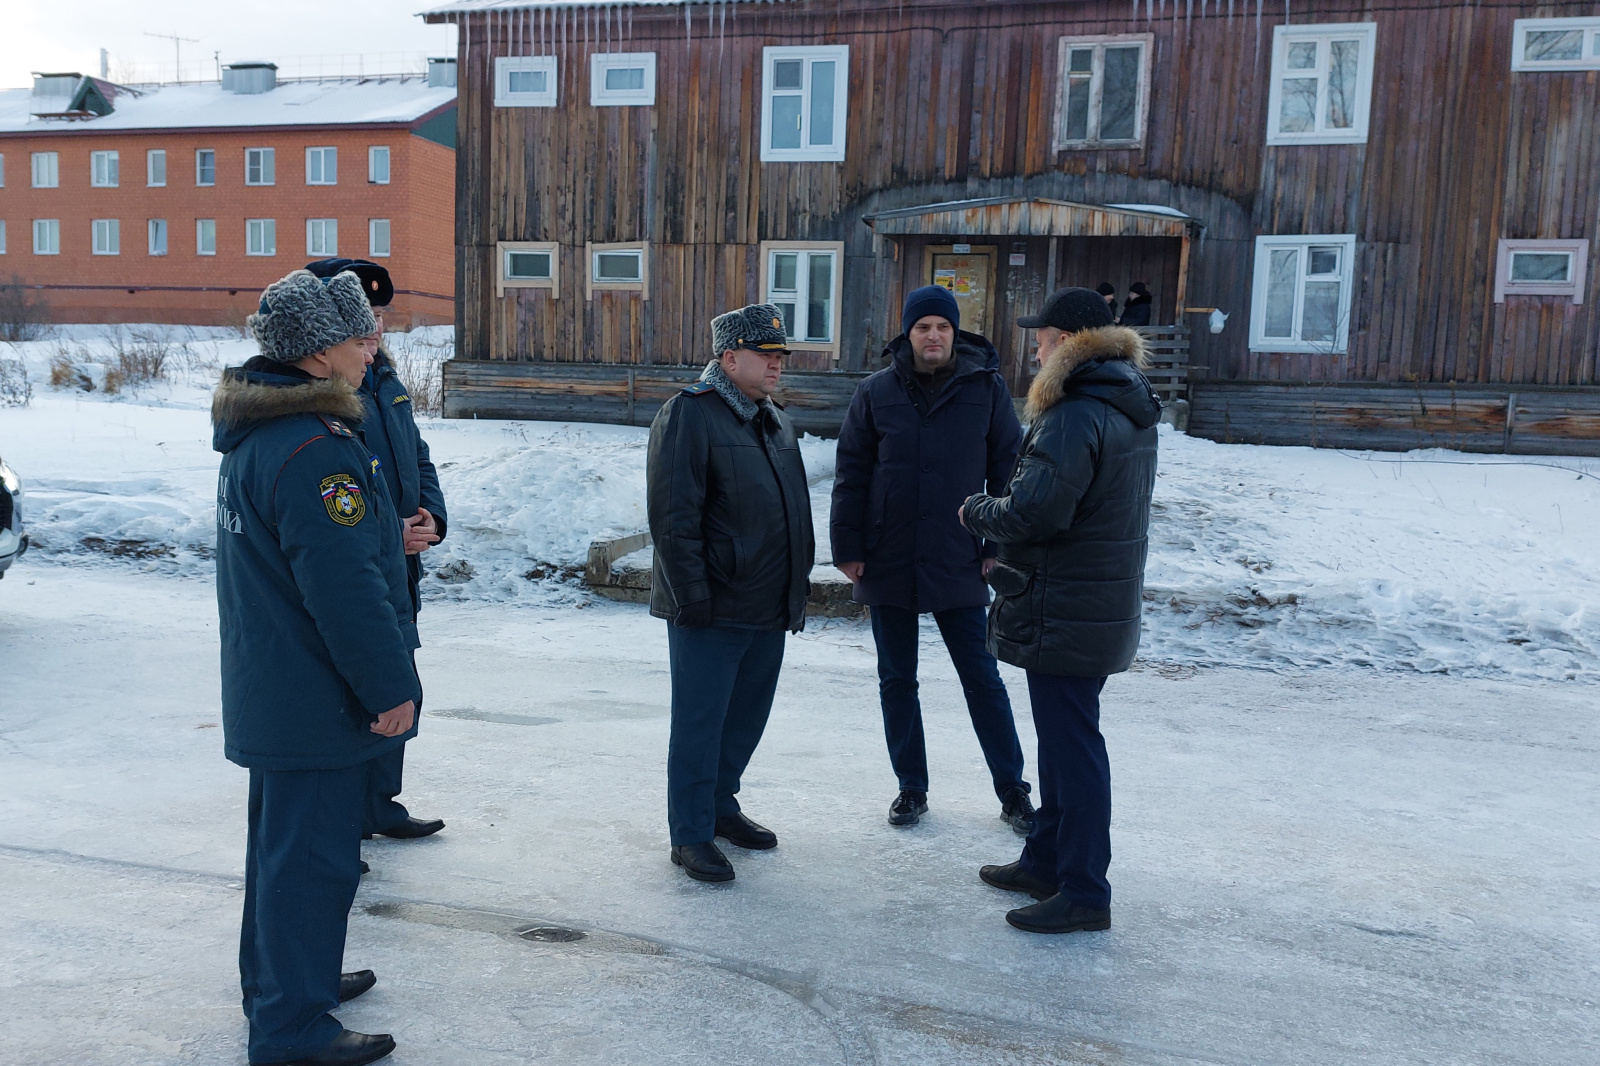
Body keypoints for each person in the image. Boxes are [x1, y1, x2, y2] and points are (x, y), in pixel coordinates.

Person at [213, 268, 419, 1064]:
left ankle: (282, 986)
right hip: (315, 696)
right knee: (311, 863)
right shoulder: (312, 450)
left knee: (281, 856)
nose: (372, 347)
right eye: (358, 334)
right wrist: (390, 686)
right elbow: (344, 591)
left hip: (281, 688)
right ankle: (293, 1025)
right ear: (317, 350)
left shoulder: (270, 435)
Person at [958, 287, 1161, 936]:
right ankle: (1046, 859)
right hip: (1093, 600)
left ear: (1069, 341)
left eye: (1041, 337)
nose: (1034, 347)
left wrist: (977, 511)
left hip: (1068, 603)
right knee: (1063, 740)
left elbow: (1036, 510)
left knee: (1073, 747)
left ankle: (1083, 890)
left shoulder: (1076, 413)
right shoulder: (1121, 402)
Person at [831, 284, 1034, 833]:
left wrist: (996, 547)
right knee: (897, 678)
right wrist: (847, 548)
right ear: (909, 334)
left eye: (942, 326)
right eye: (923, 327)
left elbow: (1009, 474)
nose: (934, 336)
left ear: (955, 332)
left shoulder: (985, 389)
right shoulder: (876, 391)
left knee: (981, 676)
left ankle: (1013, 789)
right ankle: (911, 787)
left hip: (959, 555)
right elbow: (851, 472)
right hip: (888, 554)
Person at [646, 303, 816, 884]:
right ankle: (690, 833)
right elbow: (674, 516)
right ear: (728, 357)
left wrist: (796, 591)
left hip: (766, 604)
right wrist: (691, 595)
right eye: (765, 356)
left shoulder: (774, 420)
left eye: (779, 357)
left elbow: (790, 515)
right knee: (700, 723)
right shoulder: (690, 416)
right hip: (712, 607)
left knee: (744, 720)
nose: (776, 365)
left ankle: (721, 807)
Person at [305, 258, 447, 848]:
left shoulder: (384, 378)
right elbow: (337, 492)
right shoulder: (319, 393)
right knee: (355, 691)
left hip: (400, 563)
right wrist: (392, 531)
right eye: (364, 321)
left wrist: (432, 515)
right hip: (364, 558)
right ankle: (342, 821)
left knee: (399, 681)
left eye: (380, 317)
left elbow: (417, 457)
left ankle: (378, 804)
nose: (377, 331)